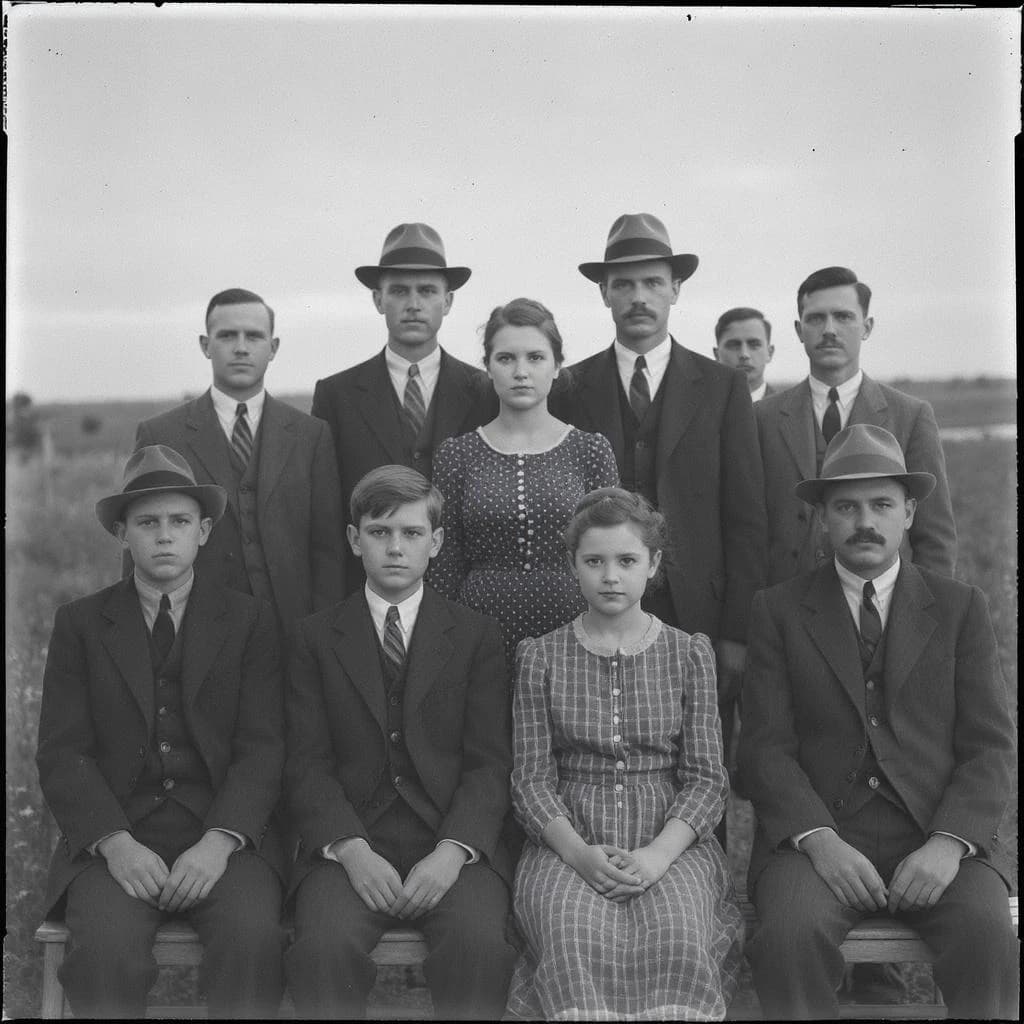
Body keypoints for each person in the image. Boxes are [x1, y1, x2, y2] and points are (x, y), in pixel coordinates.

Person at [738, 425, 1018, 1020]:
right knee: (787, 939)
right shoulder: (778, 609)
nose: (864, 521)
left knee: (987, 937)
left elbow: (990, 747)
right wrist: (819, 841)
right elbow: (764, 749)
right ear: (822, 518)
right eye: (846, 507)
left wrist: (949, 842)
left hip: (935, 834)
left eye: (882, 505)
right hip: (819, 839)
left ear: (909, 512)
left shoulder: (960, 607)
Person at [35, 445, 287, 1019]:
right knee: (104, 953)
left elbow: (262, 748)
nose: (165, 536)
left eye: (180, 521)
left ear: (204, 531)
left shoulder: (248, 620)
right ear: (121, 534)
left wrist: (219, 841)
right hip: (117, 835)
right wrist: (115, 844)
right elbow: (63, 752)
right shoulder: (80, 623)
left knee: (252, 941)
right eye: (147, 523)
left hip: (222, 835)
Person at [551, 213, 766, 844]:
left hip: (698, 611)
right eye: (624, 284)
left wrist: (735, 632)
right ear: (604, 293)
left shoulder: (722, 386)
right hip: (598, 607)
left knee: (701, 757)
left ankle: (705, 885)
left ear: (676, 289)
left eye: (652, 282)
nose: (639, 297)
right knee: (599, 750)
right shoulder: (570, 386)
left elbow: (746, 516)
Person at [284, 465, 518, 1019]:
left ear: (435, 543)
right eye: (379, 532)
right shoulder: (314, 637)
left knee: (480, 948)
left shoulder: (476, 635)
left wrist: (453, 851)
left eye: (412, 533)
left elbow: (490, 763)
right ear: (354, 539)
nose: (395, 547)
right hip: (352, 842)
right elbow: (305, 763)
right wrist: (350, 849)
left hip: (449, 841)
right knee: (322, 950)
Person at [508, 488, 744, 1019]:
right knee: (571, 931)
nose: (610, 576)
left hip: (669, 836)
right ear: (573, 565)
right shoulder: (540, 656)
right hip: (570, 836)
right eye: (594, 561)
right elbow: (531, 781)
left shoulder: (689, 653)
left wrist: (658, 855)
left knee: (677, 931)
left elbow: (706, 779)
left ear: (653, 564)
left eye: (627, 561)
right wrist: (578, 854)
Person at [134, 287, 346, 639]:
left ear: (273, 347)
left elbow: (328, 553)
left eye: (254, 336)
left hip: (293, 637)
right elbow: (140, 552)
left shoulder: (311, 435)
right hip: (197, 636)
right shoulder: (161, 434)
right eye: (227, 336)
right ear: (205, 345)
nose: (241, 347)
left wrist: (324, 639)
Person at [428, 297, 619, 663]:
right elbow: (444, 565)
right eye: (506, 358)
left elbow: (613, 553)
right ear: (487, 366)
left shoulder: (590, 450)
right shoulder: (457, 454)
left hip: (574, 628)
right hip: (478, 631)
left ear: (557, 366)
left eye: (535, 357)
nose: (521, 371)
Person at [312, 223, 495, 593]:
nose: (413, 304)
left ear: (448, 301)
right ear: (378, 300)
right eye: (399, 291)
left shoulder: (485, 391)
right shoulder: (336, 394)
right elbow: (325, 515)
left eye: (427, 291)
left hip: (463, 595)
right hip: (366, 593)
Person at [756, 266, 956, 586]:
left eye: (843, 316)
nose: (829, 329)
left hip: (877, 604)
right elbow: (744, 531)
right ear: (798, 329)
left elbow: (935, 539)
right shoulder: (761, 417)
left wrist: (923, 610)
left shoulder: (911, 415)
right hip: (783, 604)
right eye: (816, 318)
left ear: (867, 327)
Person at [713, 306, 775, 401]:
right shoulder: (695, 407)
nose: (744, 354)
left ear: (769, 353)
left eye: (754, 345)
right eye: (734, 345)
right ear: (717, 355)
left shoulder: (792, 408)